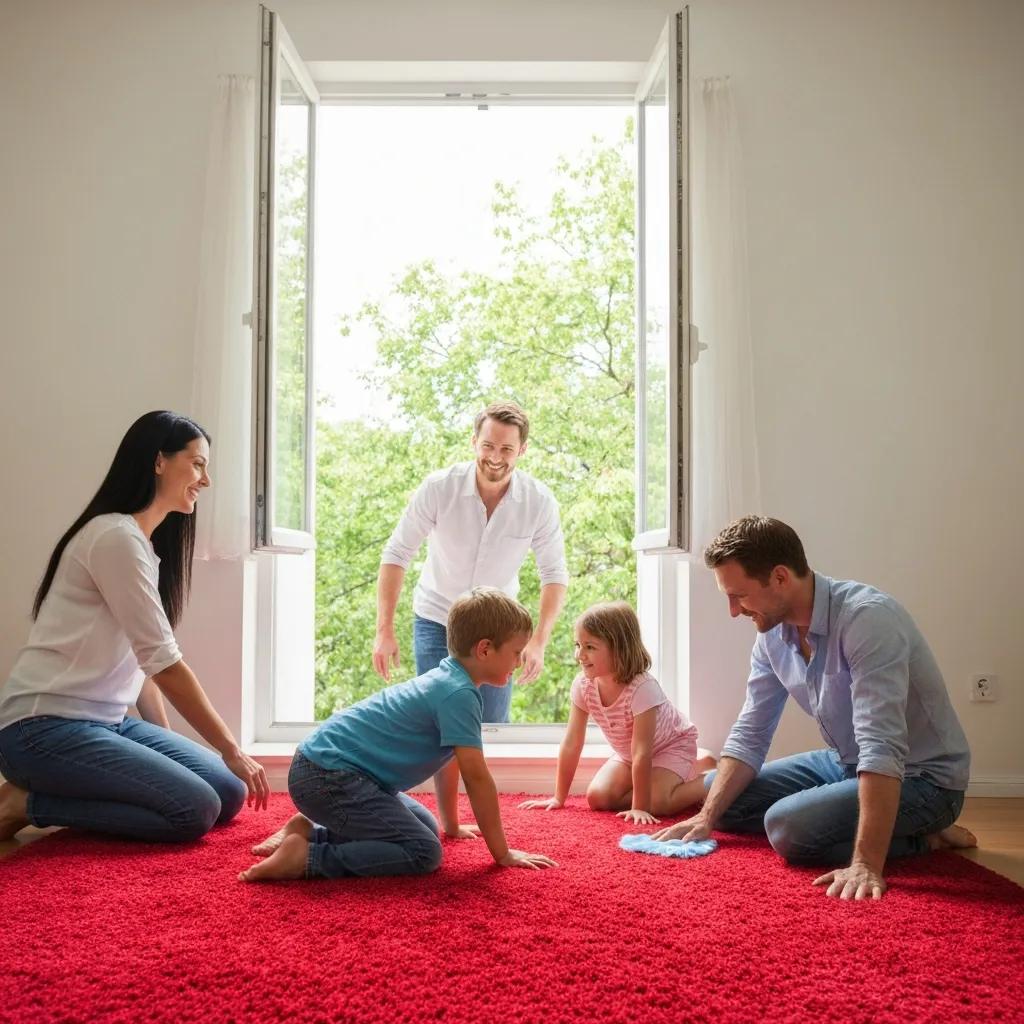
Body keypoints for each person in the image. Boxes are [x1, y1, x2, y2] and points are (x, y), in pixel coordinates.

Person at [652, 515, 975, 900]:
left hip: (923, 779)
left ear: (780, 578)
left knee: (788, 829)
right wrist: (706, 818)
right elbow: (751, 731)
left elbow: (881, 745)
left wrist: (866, 864)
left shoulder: (868, 620)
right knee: (726, 807)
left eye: (738, 595)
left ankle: (926, 838)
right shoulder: (772, 637)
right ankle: (892, 825)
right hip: (845, 762)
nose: (733, 611)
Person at [0, 411, 269, 845]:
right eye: (198, 464)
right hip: (42, 729)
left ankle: (49, 793)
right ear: (159, 461)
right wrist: (231, 748)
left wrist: (162, 749)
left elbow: (141, 666)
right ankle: (24, 804)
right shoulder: (114, 538)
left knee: (228, 791)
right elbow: (165, 664)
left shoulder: (142, 548)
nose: (206, 480)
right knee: (194, 809)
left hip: (107, 723)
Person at [241, 587, 557, 882]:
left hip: (330, 770)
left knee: (428, 828)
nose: (519, 661)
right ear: (485, 649)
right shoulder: (458, 694)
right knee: (424, 852)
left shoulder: (451, 679)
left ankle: (311, 828)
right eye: (516, 652)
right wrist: (501, 853)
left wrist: (452, 824)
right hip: (327, 779)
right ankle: (309, 857)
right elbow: (477, 777)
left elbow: (449, 761)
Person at [372, 401, 569, 724]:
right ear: (473, 442)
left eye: (507, 448)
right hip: (437, 619)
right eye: (488, 445)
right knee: (436, 727)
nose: (495, 457)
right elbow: (397, 553)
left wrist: (538, 641)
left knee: (489, 727)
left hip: (499, 630)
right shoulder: (439, 488)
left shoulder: (539, 501)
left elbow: (554, 574)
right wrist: (384, 630)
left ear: (522, 450)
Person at [521, 602, 715, 824]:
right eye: (578, 645)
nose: (580, 655)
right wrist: (558, 797)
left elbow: (643, 751)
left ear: (619, 648)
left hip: (670, 747)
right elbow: (572, 742)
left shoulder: (642, 688)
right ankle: (676, 775)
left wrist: (640, 808)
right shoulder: (584, 686)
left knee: (659, 803)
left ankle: (709, 778)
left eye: (590, 647)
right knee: (598, 797)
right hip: (630, 755)